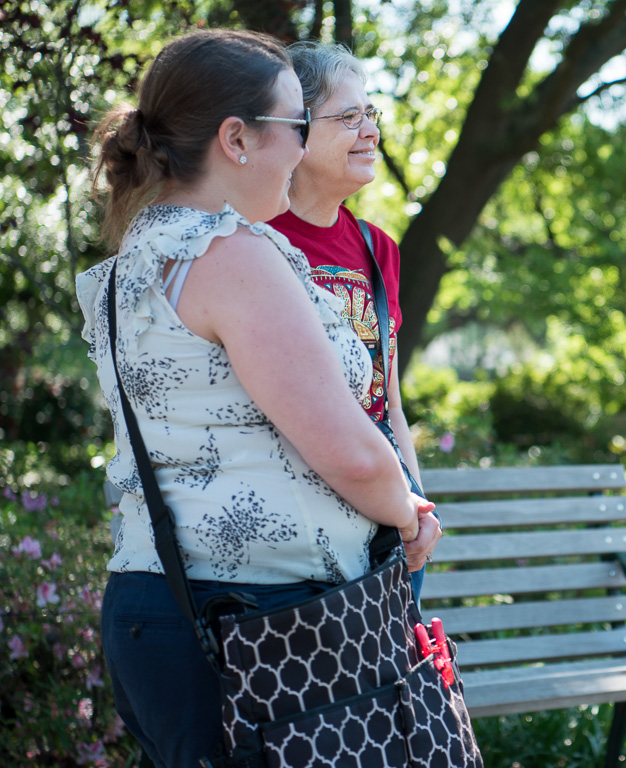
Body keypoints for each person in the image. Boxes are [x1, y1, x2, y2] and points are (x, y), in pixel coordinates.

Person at [77, 29, 438, 767]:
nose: (304, 145)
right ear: (236, 138)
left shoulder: (134, 259)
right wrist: (407, 514)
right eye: (295, 125)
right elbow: (347, 449)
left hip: (160, 608)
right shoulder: (236, 255)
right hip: (260, 621)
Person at [267, 41, 436, 601]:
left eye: (371, 114)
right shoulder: (254, 241)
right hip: (301, 527)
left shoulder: (375, 246)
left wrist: (415, 500)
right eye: (349, 117)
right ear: (296, 128)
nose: (371, 132)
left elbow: (389, 402)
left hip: (387, 527)